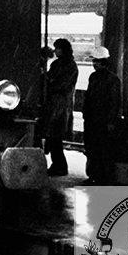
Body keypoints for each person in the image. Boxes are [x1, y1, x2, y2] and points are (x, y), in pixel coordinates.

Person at [82, 46, 122, 184]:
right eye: (94, 62)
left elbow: (114, 102)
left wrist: (110, 121)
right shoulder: (106, 78)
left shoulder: (110, 79)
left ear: (104, 62)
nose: (94, 64)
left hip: (101, 120)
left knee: (101, 150)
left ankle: (102, 177)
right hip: (95, 119)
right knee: (94, 149)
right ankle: (95, 176)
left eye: (97, 62)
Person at [42, 38, 78, 176]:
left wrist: (49, 81)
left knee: (55, 137)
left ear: (63, 50)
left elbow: (61, 84)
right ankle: (58, 165)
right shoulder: (59, 64)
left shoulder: (70, 66)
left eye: (57, 48)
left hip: (61, 105)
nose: (55, 51)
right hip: (56, 104)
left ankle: (60, 166)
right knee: (54, 137)